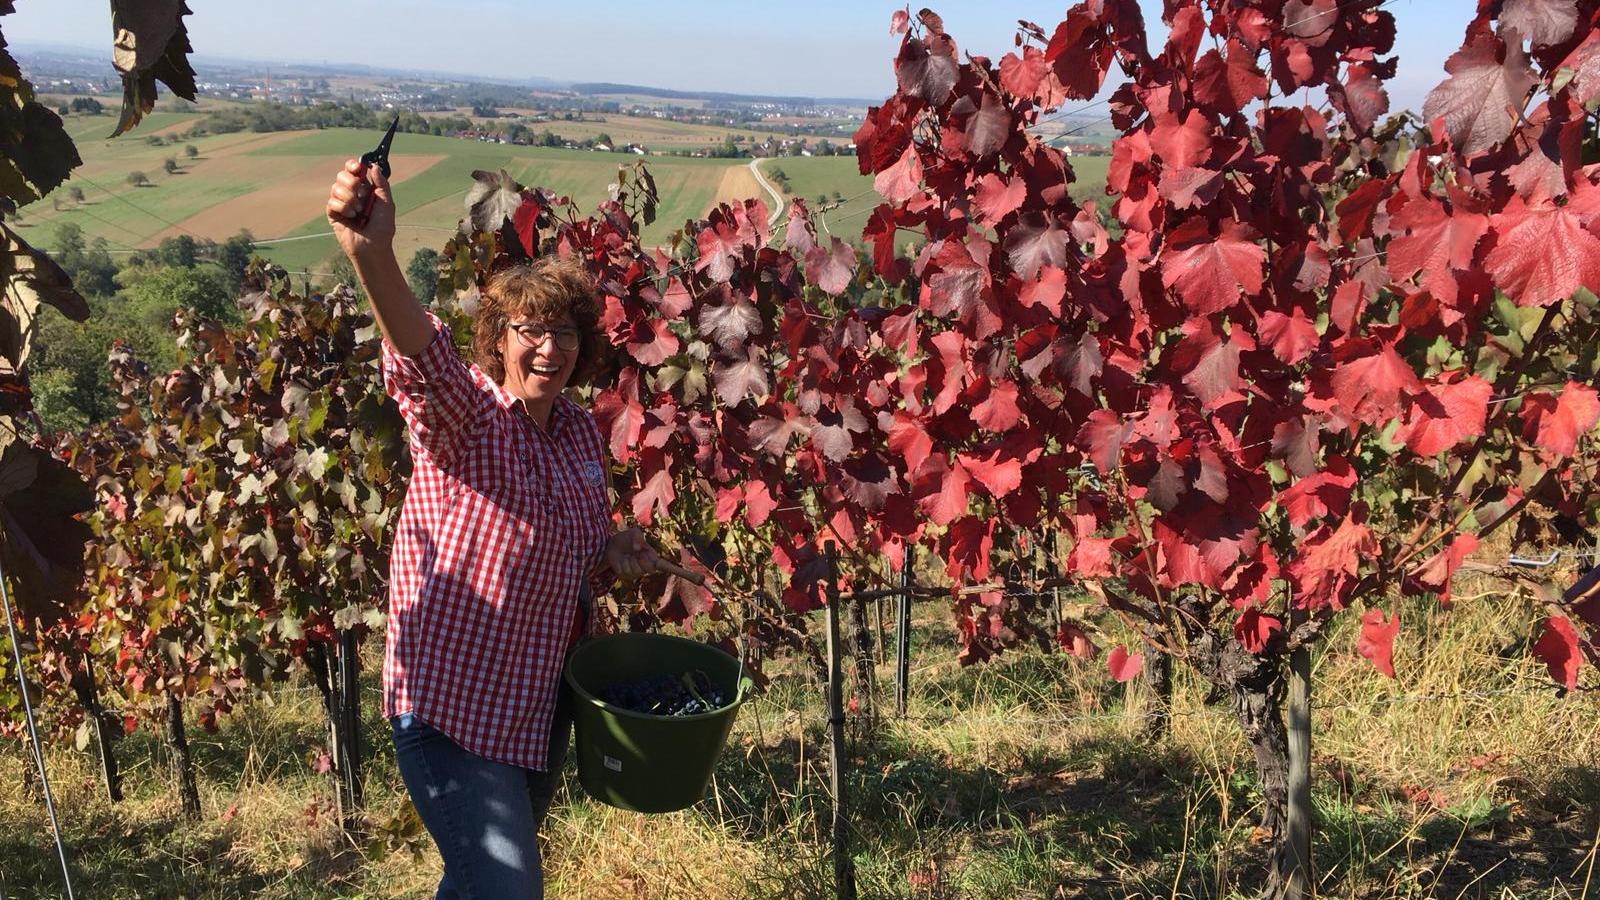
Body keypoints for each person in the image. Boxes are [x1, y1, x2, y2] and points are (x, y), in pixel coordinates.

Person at [326, 157, 667, 899]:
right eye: (531, 330)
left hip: (534, 714)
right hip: (452, 709)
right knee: (508, 889)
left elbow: (570, 558)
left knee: (478, 885)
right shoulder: (467, 420)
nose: (552, 348)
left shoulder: (578, 433)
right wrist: (371, 253)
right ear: (498, 337)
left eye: (568, 333)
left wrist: (613, 553)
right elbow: (421, 360)